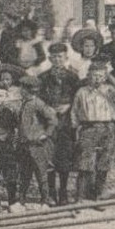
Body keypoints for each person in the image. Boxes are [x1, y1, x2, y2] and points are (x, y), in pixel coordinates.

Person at [71, 60, 115, 202]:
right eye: (94, 75)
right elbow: (74, 112)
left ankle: (97, 195)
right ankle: (79, 197)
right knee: (84, 164)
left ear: (105, 77)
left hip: (107, 127)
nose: (97, 79)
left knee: (104, 164)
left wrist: (109, 76)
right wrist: (76, 129)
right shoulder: (82, 92)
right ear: (88, 76)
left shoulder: (110, 90)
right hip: (88, 128)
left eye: (100, 76)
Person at [36, 42, 82, 205]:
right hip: (48, 123)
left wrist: (68, 106)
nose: (57, 60)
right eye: (54, 57)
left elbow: (78, 98)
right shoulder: (43, 77)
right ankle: (50, 193)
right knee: (48, 157)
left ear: (66, 58)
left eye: (60, 57)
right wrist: (48, 110)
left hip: (65, 123)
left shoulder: (73, 77)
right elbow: (38, 100)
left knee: (64, 158)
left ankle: (63, 193)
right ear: (49, 58)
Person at [14, 75, 60, 207]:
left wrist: (45, 134)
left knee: (41, 173)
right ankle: (21, 200)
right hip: (24, 144)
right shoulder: (24, 103)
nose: (20, 91)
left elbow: (53, 120)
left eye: (23, 88)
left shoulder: (38, 103)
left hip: (37, 145)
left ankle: (45, 200)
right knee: (24, 174)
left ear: (30, 90)